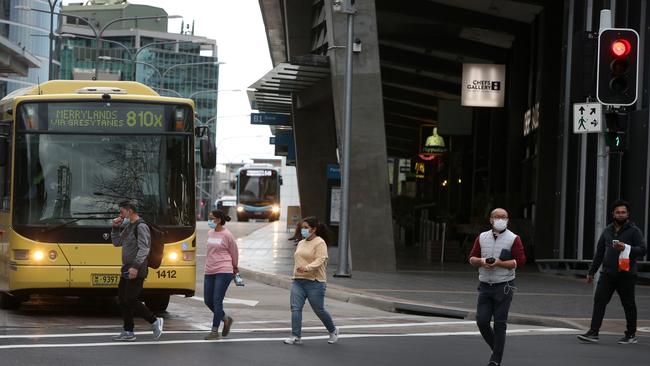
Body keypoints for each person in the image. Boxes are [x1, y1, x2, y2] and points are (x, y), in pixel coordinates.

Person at [578, 200, 647, 344]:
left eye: (623, 212)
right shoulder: (607, 231)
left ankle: (631, 335)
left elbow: (643, 249)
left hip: (626, 275)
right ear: (613, 214)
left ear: (628, 214)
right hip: (608, 274)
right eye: (618, 212)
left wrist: (627, 248)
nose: (620, 215)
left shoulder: (634, 231)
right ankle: (593, 332)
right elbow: (599, 253)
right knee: (599, 301)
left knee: (628, 304)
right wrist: (592, 272)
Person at [468, 208, 526, 366]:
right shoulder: (482, 237)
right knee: (482, 321)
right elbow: (472, 258)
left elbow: (520, 261)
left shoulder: (514, 238)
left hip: (504, 286)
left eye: (504, 217)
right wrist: (481, 261)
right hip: (485, 286)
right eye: (498, 217)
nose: (501, 219)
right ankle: (497, 349)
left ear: (507, 220)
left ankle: (495, 360)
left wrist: (500, 263)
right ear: (491, 220)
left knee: (500, 324)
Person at [110, 200, 163, 342]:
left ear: (129, 211)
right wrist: (115, 228)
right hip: (127, 267)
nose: (120, 214)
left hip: (137, 268)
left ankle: (154, 321)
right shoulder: (129, 226)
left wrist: (135, 267)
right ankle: (128, 331)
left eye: (121, 211)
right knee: (122, 299)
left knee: (131, 299)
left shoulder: (141, 226)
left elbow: (144, 248)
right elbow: (117, 243)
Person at [283, 216, 338, 345]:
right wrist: (298, 271)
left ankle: (333, 330)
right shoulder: (302, 242)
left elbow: (321, 260)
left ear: (313, 229)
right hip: (298, 281)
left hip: (315, 282)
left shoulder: (320, 242)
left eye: (306, 228)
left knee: (319, 310)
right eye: (302, 228)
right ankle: (296, 336)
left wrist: (307, 268)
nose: (303, 230)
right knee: (295, 308)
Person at [203, 210, 239, 340]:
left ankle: (214, 331)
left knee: (217, 300)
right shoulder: (210, 233)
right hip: (209, 270)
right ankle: (226, 319)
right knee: (208, 300)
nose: (209, 220)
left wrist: (235, 267)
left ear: (218, 220)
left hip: (224, 270)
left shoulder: (227, 235)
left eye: (211, 218)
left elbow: (234, 252)